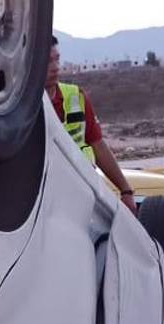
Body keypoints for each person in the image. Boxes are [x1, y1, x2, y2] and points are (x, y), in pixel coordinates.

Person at [45, 36, 137, 214]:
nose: (55, 67)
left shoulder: (76, 96)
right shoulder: (19, 106)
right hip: (47, 202)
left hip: (83, 194)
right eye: (48, 62)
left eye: (57, 59)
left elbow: (98, 146)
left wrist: (125, 190)